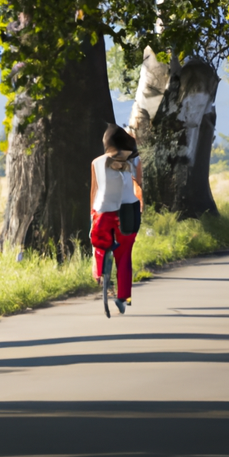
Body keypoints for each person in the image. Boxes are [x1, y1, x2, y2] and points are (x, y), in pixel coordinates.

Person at [90, 123, 141, 314]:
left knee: (99, 242)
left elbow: (93, 191)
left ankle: (100, 272)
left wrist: (91, 215)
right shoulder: (135, 161)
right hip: (128, 210)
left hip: (103, 212)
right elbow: (139, 185)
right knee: (125, 255)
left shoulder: (96, 162)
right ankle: (124, 297)